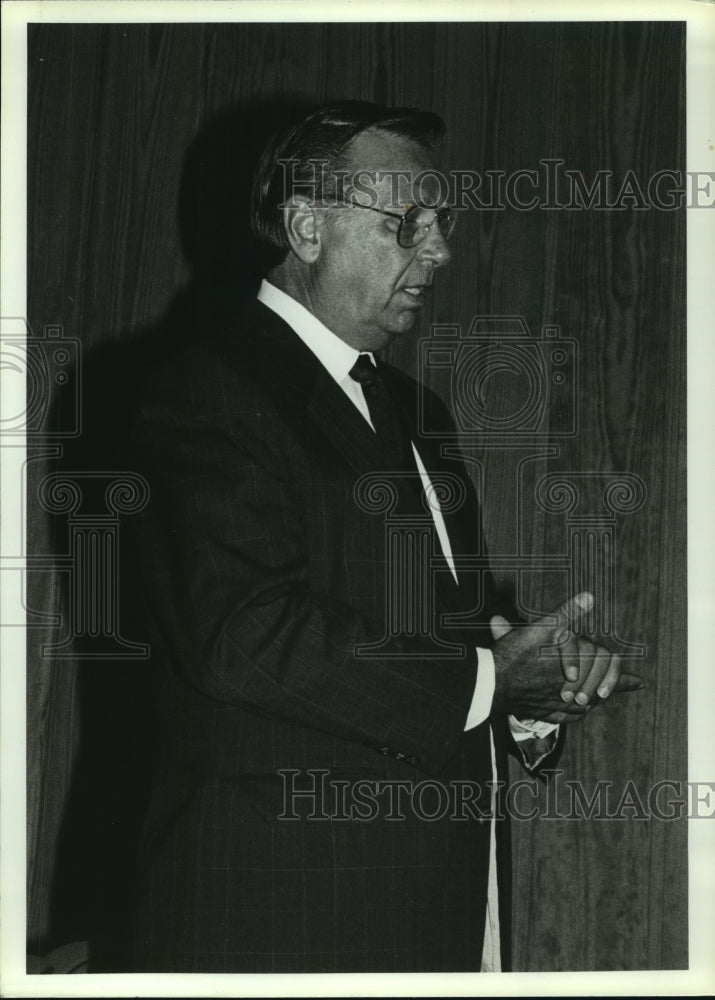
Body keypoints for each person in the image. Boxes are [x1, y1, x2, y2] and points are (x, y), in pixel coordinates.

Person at [128, 101, 642, 973]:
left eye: (441, 223)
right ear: (307, 226)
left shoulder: (416, 414)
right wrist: (486, 677)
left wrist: (529, 682)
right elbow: (242, 636)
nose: (437, 251)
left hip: (434, 905)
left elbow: (457, 633)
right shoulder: (206, 385)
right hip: (281, 913)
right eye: (408, 223)